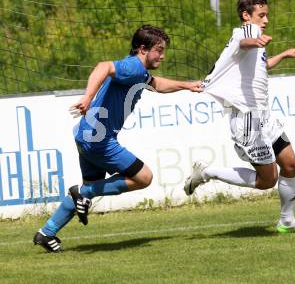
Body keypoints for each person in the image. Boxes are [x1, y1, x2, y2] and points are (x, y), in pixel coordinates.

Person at [33, 25, 203, 252]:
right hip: (98, 139)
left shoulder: (139, 72)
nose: (162, 55)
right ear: (143, 49)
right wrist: (87, 98)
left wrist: (187, 85)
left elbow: (157, 84)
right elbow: (104, 66)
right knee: (144, 177)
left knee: (91, 187)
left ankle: (47, 232)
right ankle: (83, 194)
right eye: (159, 50)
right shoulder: (133, 66)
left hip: (86, 135)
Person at [184, 0, 295, 234]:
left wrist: (284, 54)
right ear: (247, 16)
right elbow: (244, 42)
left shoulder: (255, 40)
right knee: (267, 180)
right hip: (248, 119)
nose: (266, 20)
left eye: (267, 15)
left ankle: (287, 221)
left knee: (291, 165)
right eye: (261, 15)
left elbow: (260, 65)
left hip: (265, 116)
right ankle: (206, 172)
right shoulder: (246, 31)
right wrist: (254, 40)